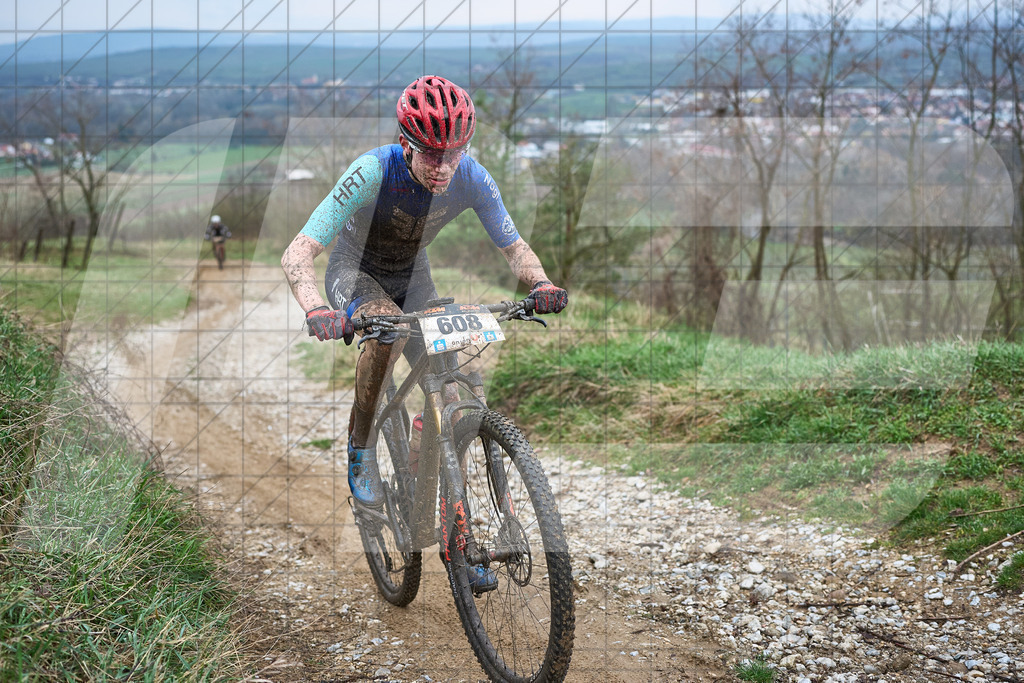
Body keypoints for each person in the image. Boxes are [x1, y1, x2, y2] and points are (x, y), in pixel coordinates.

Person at [281, 75, 567, 587]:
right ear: (405, 142)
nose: (444, 166)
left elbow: (515, 248)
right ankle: (360, 445)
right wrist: (317, 309)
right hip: (356, 271)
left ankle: (456, 527)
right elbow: (297, 252)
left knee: (460, 374)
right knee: (386, 332)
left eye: (454, 153)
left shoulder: (473, 177)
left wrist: (542, 282)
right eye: (431, 153)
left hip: (415, 275)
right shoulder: (372, 170)